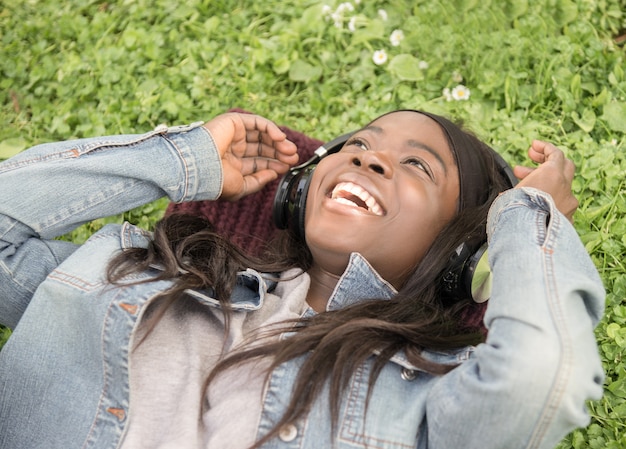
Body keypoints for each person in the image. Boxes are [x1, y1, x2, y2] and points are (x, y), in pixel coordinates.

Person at [0, 110, 605, 449]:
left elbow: (541, 375)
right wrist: (184, 163)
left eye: (418, 164)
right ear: (294, 191)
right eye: (357, 145)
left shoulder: (431, 400)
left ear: (465, 252)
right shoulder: (139, 276)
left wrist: (527, 222)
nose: (366, 157)